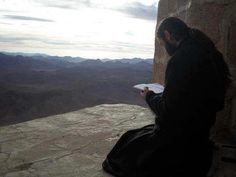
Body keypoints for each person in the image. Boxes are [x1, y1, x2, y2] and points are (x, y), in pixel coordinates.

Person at [102, 17, 232, 177]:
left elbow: (167, 111)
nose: (165, 47)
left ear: (168, 35)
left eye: (163, 43)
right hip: (200, 133)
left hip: (180, 137)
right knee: (138, 135)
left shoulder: (180, 59)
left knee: (123, 149)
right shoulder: (208, 52)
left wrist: (149, 95)